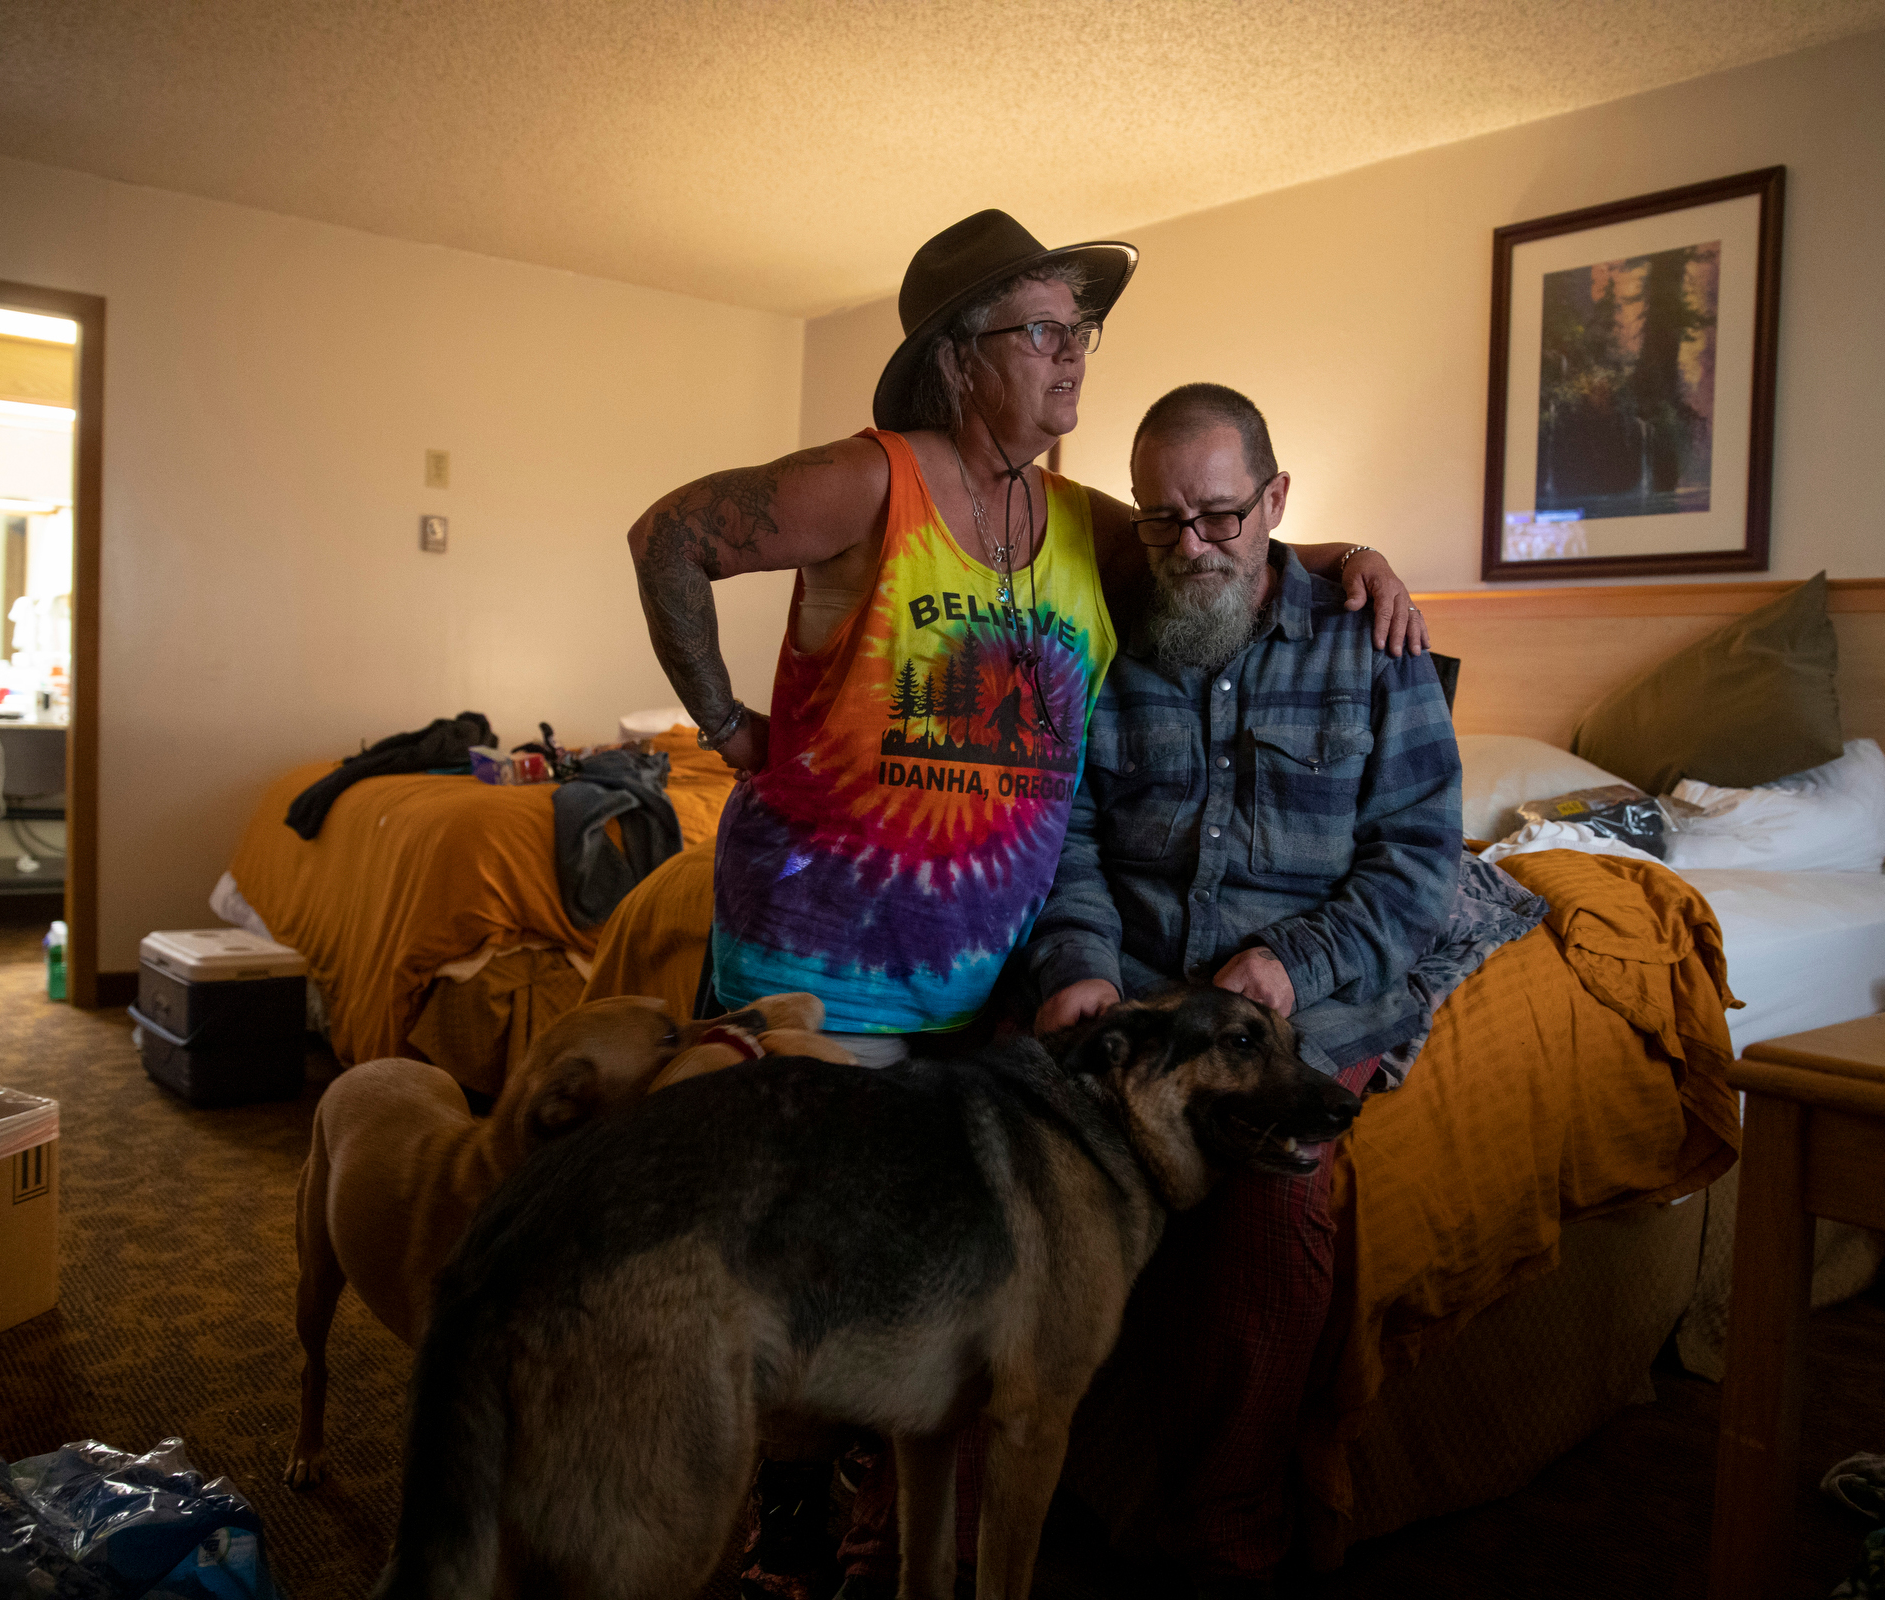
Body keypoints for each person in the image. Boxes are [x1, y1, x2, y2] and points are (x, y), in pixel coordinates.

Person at [627, 210, 1429, 1066]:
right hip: (820, 984)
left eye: (1080, 331)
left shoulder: (1082, 522)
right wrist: (726, 728)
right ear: (958, 359)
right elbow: (667, 539)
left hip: (993, 992)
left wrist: (1354, 555)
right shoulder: (871, 480)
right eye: (1045, 331)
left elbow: (1223, 546)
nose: (1075, 352)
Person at [1025, 383, 1542, 1597]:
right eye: (1161, 522)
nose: (1188, 548)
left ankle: (1225, 1541)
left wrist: (1287, 967)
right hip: (1145, 981)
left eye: (1216, 517)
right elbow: (1072, 842)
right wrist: (1082, 966)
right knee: (1014, 1137)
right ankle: (1003, 1490)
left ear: (1276, 503)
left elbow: (1421, 862)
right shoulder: (1107, 640)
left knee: (1263, 1199)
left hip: (1310, 997)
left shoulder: (1377, 645)